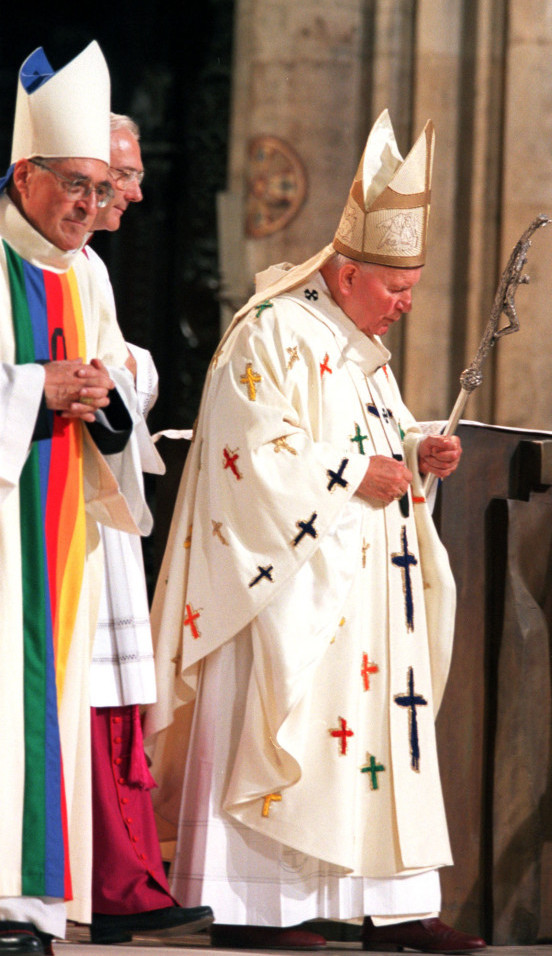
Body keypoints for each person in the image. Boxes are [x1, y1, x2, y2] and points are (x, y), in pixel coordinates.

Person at [145, 109, 487, 952]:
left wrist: (417, 451)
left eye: (410, 288)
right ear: (343, 273)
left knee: (377, 740)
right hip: (293, 586)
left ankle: (391, 905)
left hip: (370, 589)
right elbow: (248, 449)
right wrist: (349, 475)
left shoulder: (357, 346)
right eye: (394, 287)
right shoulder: (271, 330)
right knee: (292, 732)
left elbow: (375, 442)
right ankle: (260, 908)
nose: (406, 303)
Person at [0, 41, 155, 955]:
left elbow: (119, 383)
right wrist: (30, 391)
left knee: (42, 707)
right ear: (27, 171)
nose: (92, 211)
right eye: (77, 188)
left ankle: (28, 908)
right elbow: (35, 379)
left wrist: (103, 394)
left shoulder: (85, 269)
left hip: (60, 529)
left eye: (103, 192)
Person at [84, 113, 213, 945]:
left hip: (98, 500)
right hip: (53, 504)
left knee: (115, 698)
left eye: (126, 178)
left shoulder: (85, 266)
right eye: (117, 178)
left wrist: (128, 370)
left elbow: (115, 361)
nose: (134, 191)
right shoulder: (33, 263)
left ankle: (126, 878)